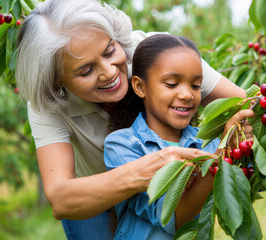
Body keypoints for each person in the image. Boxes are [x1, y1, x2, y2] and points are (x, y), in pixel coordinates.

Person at [14, 0, 266, 239]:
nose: (109, 72)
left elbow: (250, 109)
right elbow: (62, 198)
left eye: (109, 51)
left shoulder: (161, 57)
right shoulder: (48, 102)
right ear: (57, 81)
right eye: (85, 70)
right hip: (91, 194)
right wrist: (145, 171)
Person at [104, 34, 255, 239]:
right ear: (140, 87)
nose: (187, 95)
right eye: (172, 84)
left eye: (195, 86)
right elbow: (172, 217)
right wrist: (224, 150)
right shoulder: (122, 145)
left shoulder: (205, 141)